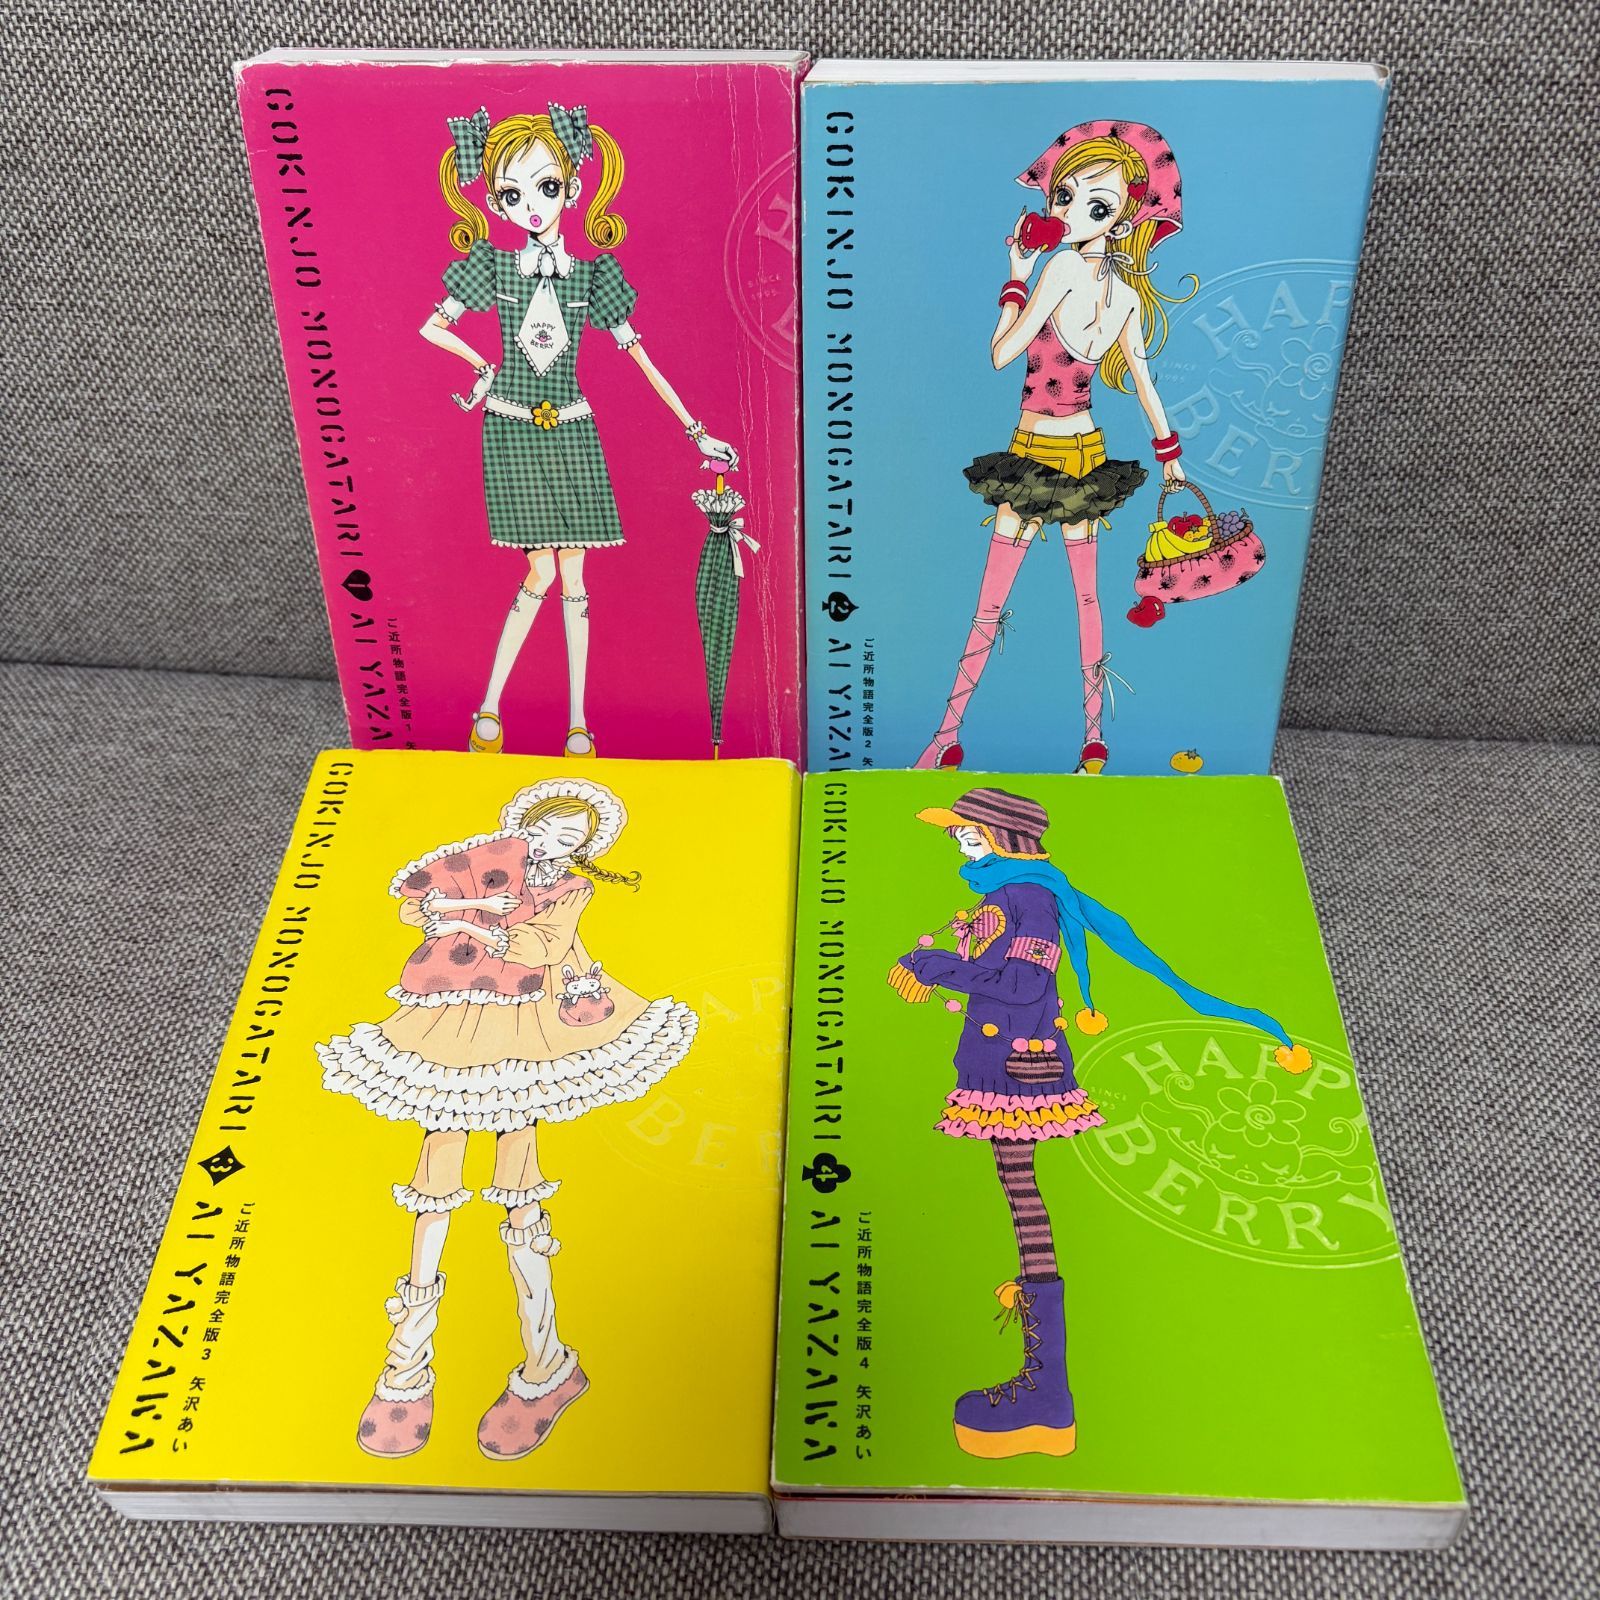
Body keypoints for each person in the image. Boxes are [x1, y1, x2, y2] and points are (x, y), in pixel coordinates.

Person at [889, 786, 1309, 1458]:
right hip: (1001, 1058)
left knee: (1023, 1191)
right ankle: (1045, 1391)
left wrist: (934, 964)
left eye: (968, 830)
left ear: (1004, 837)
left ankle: (1047, 1394)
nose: (958, 841)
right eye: (956, 831)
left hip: (1018, 1064)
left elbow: (1024, 986)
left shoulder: (1028, 898)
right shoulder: (1009, 893)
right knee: (1018, 1188)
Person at [316, 777, 697, 1460]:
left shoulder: (571, 890)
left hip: (531, 1021)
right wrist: (457, 909)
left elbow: (541, 949)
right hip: (456, 1012)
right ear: (526, 825)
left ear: (584, 850)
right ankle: (406, 1362)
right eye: (546, 829)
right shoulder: (493, 861)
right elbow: (415, 907)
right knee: (436, 1161)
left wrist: (468, 922)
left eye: (569, 838)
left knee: (520, 1173)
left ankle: (546, 1362)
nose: (552, 843)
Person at [423, 103, 739, 758]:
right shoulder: (492, 266)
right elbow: (433, 326)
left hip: (572, 430)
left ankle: (575, 723)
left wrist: (695, 432)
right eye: (512, 194)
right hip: (512, 429)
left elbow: (639, 356)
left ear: (571, 188)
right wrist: (482, 365)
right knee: (541, 569)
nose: (531, 206)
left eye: (545, 186)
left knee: (574, 576)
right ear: (496, 203)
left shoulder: (594, 277)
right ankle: (491, 705)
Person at [913, 122, 1195, 775]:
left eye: (1095, 205)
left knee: (991, 603)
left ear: (1123, 218)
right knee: (1087, 599)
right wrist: (1170, 456)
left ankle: (946, 736)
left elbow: (1001, 353)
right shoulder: (1127, 297)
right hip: (1087, 455)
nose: (1068, 214)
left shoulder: (1061, 267)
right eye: (1064, 197)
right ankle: (1094, 742)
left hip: (1034, 452)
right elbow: (1145, 385)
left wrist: (1015, 276)